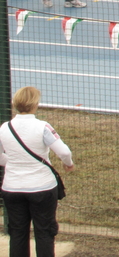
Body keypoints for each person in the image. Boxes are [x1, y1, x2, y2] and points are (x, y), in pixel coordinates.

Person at [0, 86, 75, 257]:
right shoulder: (42, 127)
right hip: (42, 188)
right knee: (44, 232)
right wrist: (68, 164)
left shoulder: (4, 128)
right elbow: (64, 152)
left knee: (17, 233)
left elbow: (0, 157)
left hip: (12, 188)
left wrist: (14, 162)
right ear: (35, 104)